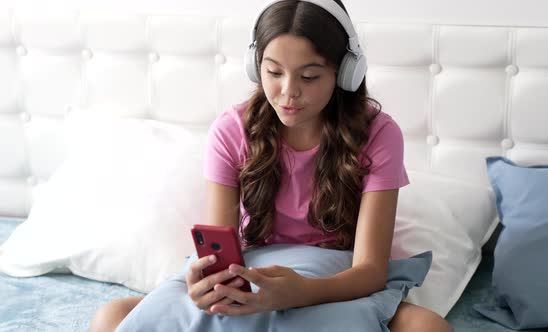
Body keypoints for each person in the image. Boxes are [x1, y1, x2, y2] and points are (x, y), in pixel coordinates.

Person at [90, 1, 453, 331]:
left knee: (430, 328)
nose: (288, 91)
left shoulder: (379, 133)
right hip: (253, 274)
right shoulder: (231, 130)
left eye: (309, 77)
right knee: (112, 317)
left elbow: (371, 271)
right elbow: (219, 248)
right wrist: (205, 286)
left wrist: (301, 292)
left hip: (336, 282)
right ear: (255, 66)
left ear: (345, 72)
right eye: (274, 72)